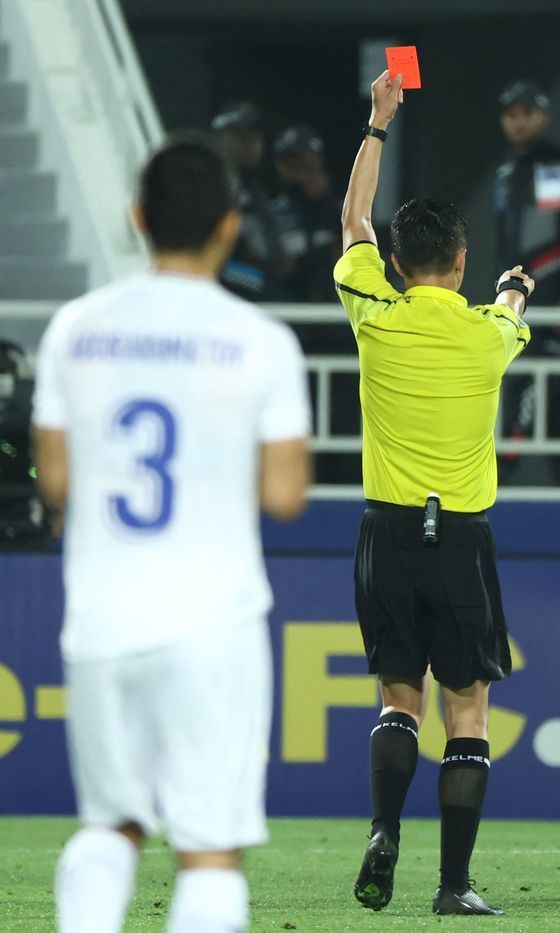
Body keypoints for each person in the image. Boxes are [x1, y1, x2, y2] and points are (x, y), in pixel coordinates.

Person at [33, 136, 312, 932]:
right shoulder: (262, 341)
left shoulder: (74, 330)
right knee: (210, 846)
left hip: (103, 615)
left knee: (109, 823)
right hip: (212, 620)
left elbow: (54, 484)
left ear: (137, 218)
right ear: (230, 226)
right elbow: (286, 494)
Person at [336, 70, 532, 918]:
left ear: (394, 263)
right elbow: (510, 305)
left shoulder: (373, 311)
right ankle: (452, 885)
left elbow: (351, 222)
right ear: (461, 261)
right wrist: (515, 289)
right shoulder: (491, 335)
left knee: (396, 698)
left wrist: (379, 123)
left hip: (384, 532)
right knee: (470, 707)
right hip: (461, 540)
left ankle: (385, 828)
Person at [493, 80, 560, 486]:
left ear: (544, 117)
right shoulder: (505, 169)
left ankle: (510, 469)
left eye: (526, 114)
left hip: (555, 291)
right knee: (532, 379)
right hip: (518, 291)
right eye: (510, 115)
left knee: (542, 377)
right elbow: (507, 240)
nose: (518, 123)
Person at [211, 101, 285, 300]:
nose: (251, 143)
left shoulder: (253, 186)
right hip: (216, 270)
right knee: (265, 285)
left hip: (252, 272)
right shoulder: (211, 182)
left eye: (255, 137)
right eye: (241, 137)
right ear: (220, 139)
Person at [270, 125, 342, 302]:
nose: (296, 168)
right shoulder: (275, 209)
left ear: (316, 160)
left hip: (335, 302)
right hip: (290, 300)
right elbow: (280, 266)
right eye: (288, 162)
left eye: (302, 160)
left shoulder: (342, 206)